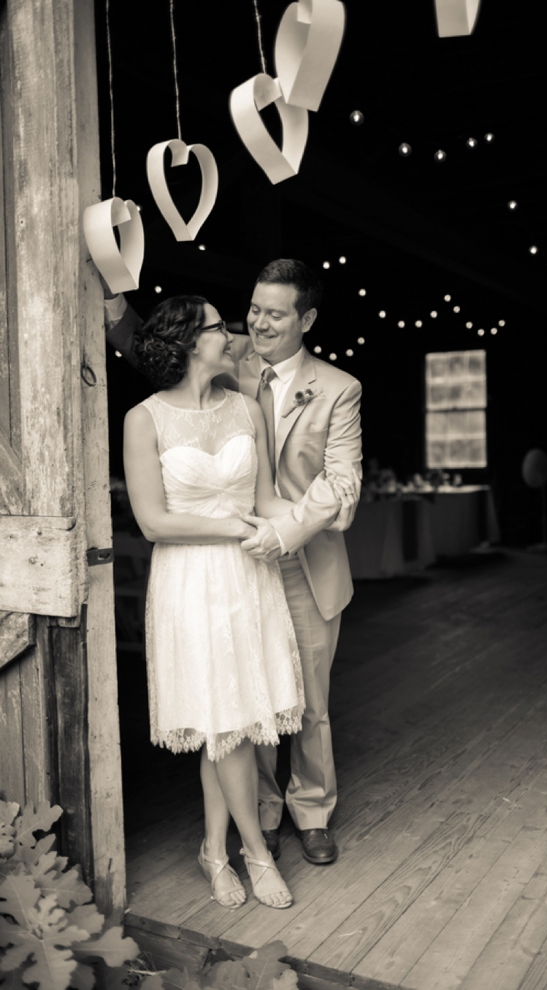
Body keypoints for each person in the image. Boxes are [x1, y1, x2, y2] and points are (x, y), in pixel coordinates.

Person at [106, 258, 363, 866]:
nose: (258, 323)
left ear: (307, 319)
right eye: (253, 310)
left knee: (308, 697)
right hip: (225, 562)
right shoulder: (228, 354)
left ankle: (313, 809)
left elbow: (341, 482)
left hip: (298, 554)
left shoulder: (339, 387)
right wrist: (113, 296)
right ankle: (263, 815)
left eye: (275, 314)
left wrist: (281, 533)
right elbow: (159, 344)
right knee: (252, 696)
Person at [123, 294, 305, 910]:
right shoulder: (144, 419)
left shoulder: (247, 408)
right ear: (189, 342)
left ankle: (212, 851)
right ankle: (254, 854)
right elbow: (152, 523)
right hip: (191, 582)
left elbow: (265, 501)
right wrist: (233, 528)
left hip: (249, 581)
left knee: (228, 723)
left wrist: (310, 517)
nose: (232, 334)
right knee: (225, 725)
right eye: (218, 327)